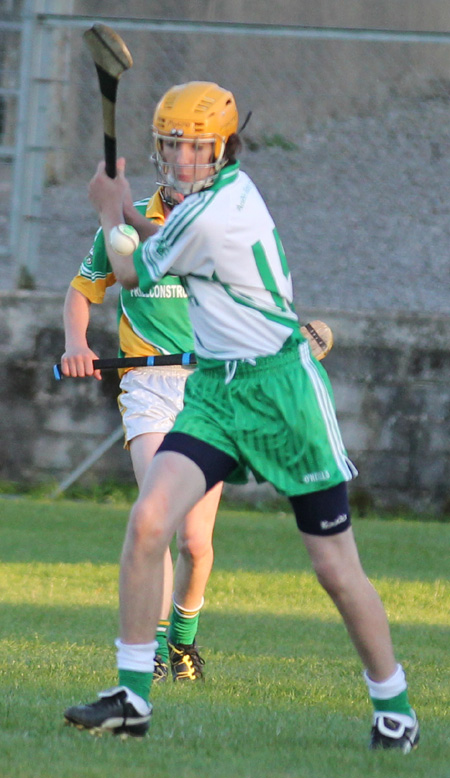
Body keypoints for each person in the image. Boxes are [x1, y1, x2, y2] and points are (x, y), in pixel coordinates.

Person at [64, 81, 419, 752]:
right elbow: (159, 238)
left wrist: (111, 211)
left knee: (335, 569)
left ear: (222, 150)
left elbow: (136, 269)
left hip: (282, 394)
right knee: (149, 521)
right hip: (217, 395)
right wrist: (122, 216)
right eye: (170, 146)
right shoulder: (204, 205)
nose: (179, 161)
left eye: (194, 148)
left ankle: (395, 706)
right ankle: (134, 696)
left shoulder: (222, 208)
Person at [60, 177, 223, 683]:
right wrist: (76, 344)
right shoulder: (120, 224)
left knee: (195, 542)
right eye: (174, 153)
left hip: (208, 391)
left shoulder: (218, 220)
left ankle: (181, 640)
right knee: (158, 513)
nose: (184, 167)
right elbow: (81, 292)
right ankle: (148, 646)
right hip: (147, 385)